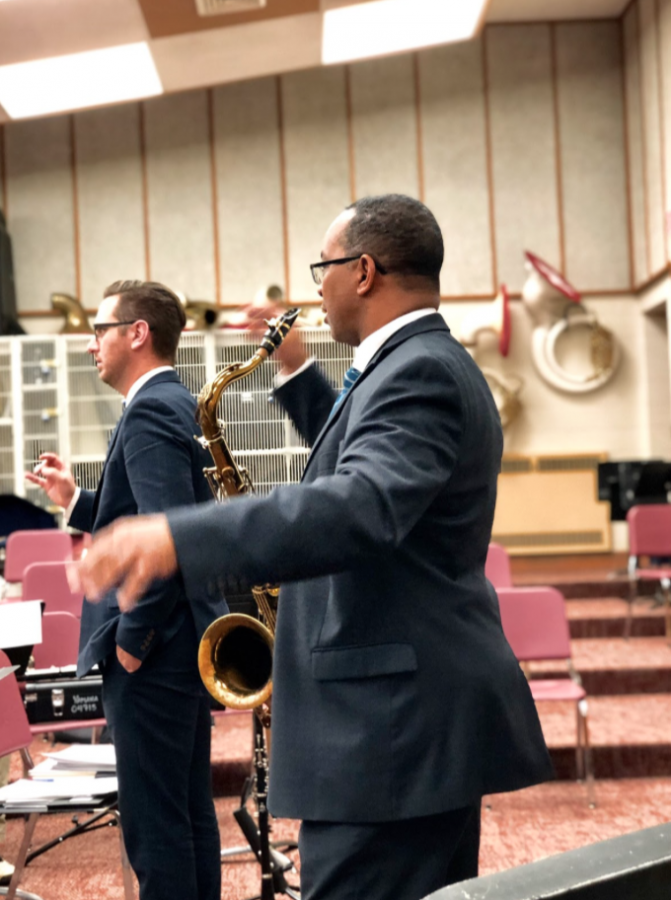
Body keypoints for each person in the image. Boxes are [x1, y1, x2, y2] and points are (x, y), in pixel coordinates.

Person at [76, 197, 554, 900]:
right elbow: (357, 457)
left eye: (323, 268)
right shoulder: (412, 363)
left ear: (363, 271)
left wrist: (178, 535)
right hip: (400, 718)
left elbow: (361, 504)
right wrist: (297, 375)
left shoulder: (416, 370)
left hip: (388, 729)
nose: (317, 286)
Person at [26, 281, 226, 900]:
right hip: (181, 648)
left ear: (137, 333)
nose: (91, 344)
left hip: (154, 653)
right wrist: (78, 501)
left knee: (157, 827)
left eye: (100, 329)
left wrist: (132, 643)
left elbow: (167, 538)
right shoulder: (173, 401)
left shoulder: (149, 410)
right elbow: (154, 513)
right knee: (187, 812)